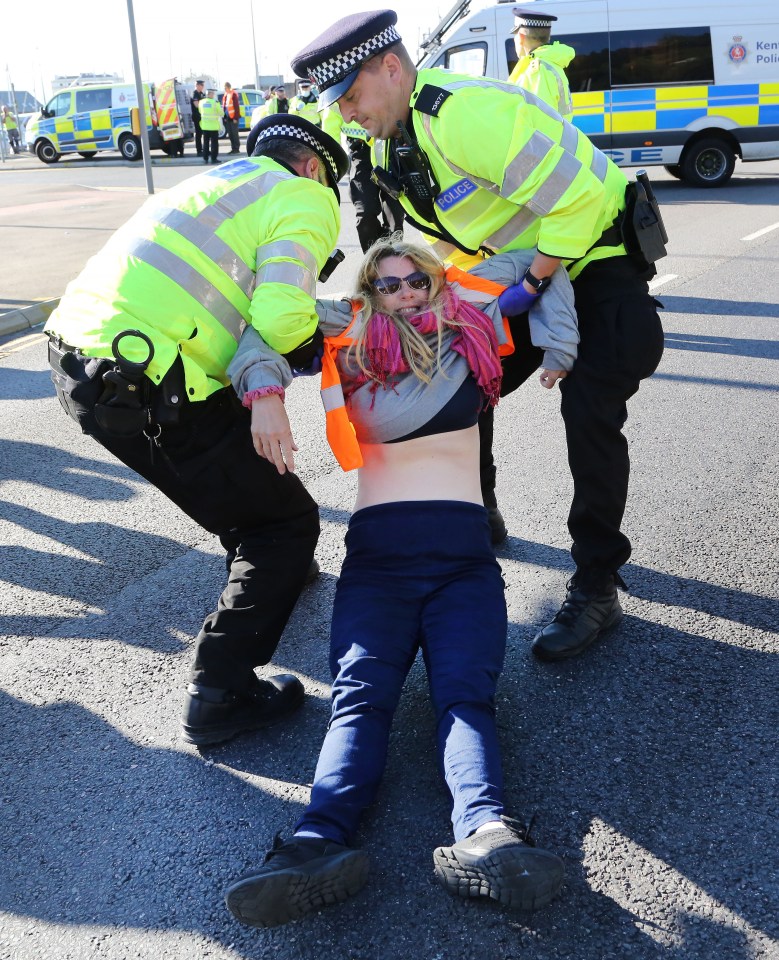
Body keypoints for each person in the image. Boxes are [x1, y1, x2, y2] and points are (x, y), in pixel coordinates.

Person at [291, 9, 665, 662]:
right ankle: (477, 513)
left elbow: (575, 199)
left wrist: (529, 287)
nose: (346, 113)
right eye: (337, 103)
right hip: (523, 262)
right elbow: (438, 234)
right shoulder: (387, 139)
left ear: (390, 68)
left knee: (588, 408)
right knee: (455, 374)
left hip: (594, 257)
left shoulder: (464, 115)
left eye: (350, 95)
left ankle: (598, 582)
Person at [223, 237, 577, 927]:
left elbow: (536, 261)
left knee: (465, 699)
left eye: (418, 279)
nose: (407, 292)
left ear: (435, 282)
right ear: (368, 291)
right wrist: (264, 392)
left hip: (461, 559)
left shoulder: (473, 328)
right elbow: (260, 326)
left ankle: (486, 836)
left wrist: (546, 292)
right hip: (379, 559)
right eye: (389, 284)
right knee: (360, 698)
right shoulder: (348, 335)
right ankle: (314, 842)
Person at [43, 115, 349, 748]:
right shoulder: (305, 196)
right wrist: (307, 349)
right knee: (281, 524)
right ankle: (220, 692)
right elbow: (281, 314)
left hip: (81, 361)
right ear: (316, 166)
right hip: (152, 384)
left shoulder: (211, 183)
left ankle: (283, 575)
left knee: (242, 480)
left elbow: (230, 299)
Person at [323, 101, 404, 253]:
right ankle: (372, 260)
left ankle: (394, 260)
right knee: (365, 210)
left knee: (395, 210)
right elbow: (330, 125)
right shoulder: (338, 85)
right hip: (360, 150)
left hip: (388, 145)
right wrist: (330, 162)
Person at [509, 8, 575, 118]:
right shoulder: (549, 65)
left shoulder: (537, 71)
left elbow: (538, 121)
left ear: (521, 37)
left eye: (514, 35)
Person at [198, 88, 222, 164]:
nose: (213, 95)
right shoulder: (215, 102)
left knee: (205, 143)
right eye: (213, 94)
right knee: (214, 143)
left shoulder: (201, 102)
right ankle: (213, 158)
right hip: (213, 126)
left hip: (205, 126)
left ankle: (205, 158)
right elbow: (221, 113)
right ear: (210, 94)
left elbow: (199, 111)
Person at [221, 82, 241, 153]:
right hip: (228, 117)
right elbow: (225, 107)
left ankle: (236, 148)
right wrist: (224, 117)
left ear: (228, 87)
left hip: (233, 118)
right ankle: (233, 148)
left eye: (225, 88)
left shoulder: (233, 94)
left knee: (234, 134)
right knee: (230, 134)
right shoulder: (226, 95)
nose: (224, 89)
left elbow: (236, 107)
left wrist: (236, 118)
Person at [190, 79, 207, 156]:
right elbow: (196, 105)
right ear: (197, 85)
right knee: (198, 134)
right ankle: (199, 150)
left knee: (203, 134)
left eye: (203, 85)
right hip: (197, 117)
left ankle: (204, 149)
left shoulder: (201, 94)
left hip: (202, 116)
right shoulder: (195, 94)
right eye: (201, 85)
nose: (203, 87)